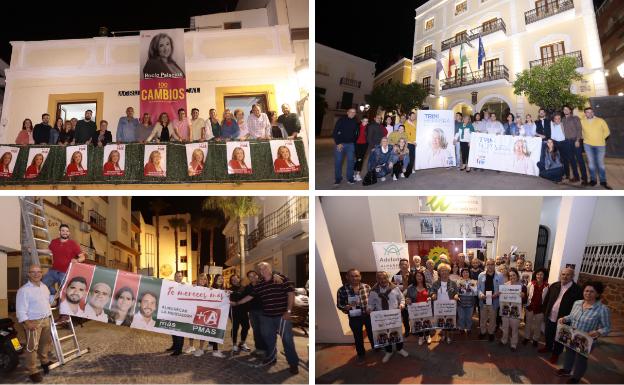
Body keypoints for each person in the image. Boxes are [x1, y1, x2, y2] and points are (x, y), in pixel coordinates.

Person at [230, 262, 299, 373]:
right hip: (267, 316)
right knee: (269, 339)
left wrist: (289, 311)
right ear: (260, 272)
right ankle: (271, 358)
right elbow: (249, 297)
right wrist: (237, 303)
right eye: (261, 269)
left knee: (287, 340)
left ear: (270, 268)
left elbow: (291, 294)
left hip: (282, 316)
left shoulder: (282, 278)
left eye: (265, 267)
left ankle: (293, 363)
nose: (263, 270)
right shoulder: (260, 284)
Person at [556, 281, 611, 384]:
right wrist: (564, 318)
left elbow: (607, 328)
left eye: (592, 292)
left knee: (581, 360)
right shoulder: (577, 303)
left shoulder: (603, 309)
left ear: (598, 294)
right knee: (569, 353)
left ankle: (576, 377)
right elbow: (571, 316)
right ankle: (567, 370)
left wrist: (598, 332)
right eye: (586, 291)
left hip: (586, 340)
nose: (588, 294)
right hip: (572, 335)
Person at [16, 265, 53, 383]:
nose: (36, 274)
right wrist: (27, 323)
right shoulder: (24, 290)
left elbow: (47, 301)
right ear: (29, 274)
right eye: (33, 272)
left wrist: (54, 298)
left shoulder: (44, 287)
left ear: (42, 274)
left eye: (39, 272)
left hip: (46, 319)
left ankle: (44, 361)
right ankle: (32, 370)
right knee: (32, 347)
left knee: (45, 344)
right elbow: (20, 310)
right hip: (33, 323)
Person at [540, 267, 583, 364]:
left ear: (573, 276)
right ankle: (548, 347)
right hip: (550, 316)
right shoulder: (554, 285)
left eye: (568, 275)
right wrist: (545, 312)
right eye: (563, 274)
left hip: (564, 319)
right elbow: (547, 300)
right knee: (548, 334)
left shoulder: (577, 290)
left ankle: (556, 354)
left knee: (560, 338)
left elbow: (578, 307)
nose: (565, 276)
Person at [367, 271, 408, 363]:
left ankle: (400, 349)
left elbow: (402, 299)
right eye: (380, 278)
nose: (382, 280)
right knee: (385, 334)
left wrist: (402, 305)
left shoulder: (395, 288)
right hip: (381, 317)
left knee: (397, 333)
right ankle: (388, 351)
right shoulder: (373, 291)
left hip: (394, 316)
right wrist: (369, 309)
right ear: (377, 279)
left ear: (388, 278)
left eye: (384, 278)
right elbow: (370, 304)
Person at [42, 224, 86, 304]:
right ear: (59, 232)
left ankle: (63, 313)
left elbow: (82, 257)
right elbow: (49, 251)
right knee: (42, 285)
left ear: (69, 233)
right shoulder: (54, 242)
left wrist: (77, 260)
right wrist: (36, 250)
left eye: (67, 231)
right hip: (53, 271)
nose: (65, 232)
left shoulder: (73, 244)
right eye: (63, 231)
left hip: (65, 273)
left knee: (65, 293)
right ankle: (54, 293)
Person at [336, 269, 373, 360]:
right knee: (358, 336)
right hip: (354, 317)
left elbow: (373, 300)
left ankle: (377, 348)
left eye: (356, 276)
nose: (354, 278)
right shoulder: (342, 290)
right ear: (347, 277)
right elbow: (339, 304)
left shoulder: (366, 287)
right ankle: (361, 354)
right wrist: (346, 307)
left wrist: (371, 308)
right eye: (352, 276)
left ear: (360, 277)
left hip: (368, 315)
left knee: (372, 333)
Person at [581, 107, 611, 189]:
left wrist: (601, 138)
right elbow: (581, 132)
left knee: (600, 164)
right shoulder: (582, 121)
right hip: (588, 145)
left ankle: (603, 181)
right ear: (585, 113)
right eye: (587, 112)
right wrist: (584, 138)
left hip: (600, 145)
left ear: (593, 113)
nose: (589, 113)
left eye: (591, 112)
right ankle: (593, 180)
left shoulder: (600, 120)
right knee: (591, 164)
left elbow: (607, 131)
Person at [429, 263, 459, 344]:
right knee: (442, 321)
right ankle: (443, 334)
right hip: (440, 306)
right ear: (439, 272)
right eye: (442, 271)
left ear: (449, 272)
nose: (444, 272)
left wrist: (456, 295)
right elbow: (431, 291)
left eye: (446, 271)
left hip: (450, 306)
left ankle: (448, 335)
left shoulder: (453, 283)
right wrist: (433, 295)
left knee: (449, 321)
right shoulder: (435, 283)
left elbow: (457, 292)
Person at [499, 268, 527, 352]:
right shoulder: (505, 285)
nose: (512, 277)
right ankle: (504, 340)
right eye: (510, 275)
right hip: (505, 309)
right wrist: (501, 294)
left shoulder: (522, 286)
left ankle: (513, 344)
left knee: (514, 328)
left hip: (515, 310)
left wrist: (523, 295)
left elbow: (525, 300)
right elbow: (502, 298)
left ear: (517, 276)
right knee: (505, 327)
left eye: (513, 275)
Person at [477, 258, 505, 341]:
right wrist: (481, 295)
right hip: (483, 301)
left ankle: (491, 333)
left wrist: (496, 294)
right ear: (486, 265)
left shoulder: (500, 275)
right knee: (483, 318)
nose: (490, 266)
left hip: (494, 301)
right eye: (488, 264)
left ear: (494, 265)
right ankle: (483, 332)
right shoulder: (481, 275)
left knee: (493, 319)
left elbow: (502, 288)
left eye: (492, 264)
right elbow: (478, 288)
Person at [523, 268, 549, 347]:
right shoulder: (531, 284)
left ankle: (535, 339)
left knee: (538, 325)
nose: (539, 276)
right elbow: (527, 294)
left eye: (541, 274)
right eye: (538, 274)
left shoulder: (547, 286)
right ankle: (526, 337)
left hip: (540, 309)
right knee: (528, 324)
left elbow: (547, 298)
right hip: (530, 307)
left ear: (544, 276)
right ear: (535, 275)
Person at [561, 106, 586, 184]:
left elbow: (579, 129)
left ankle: (584, 178)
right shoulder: (563, 120)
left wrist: (578, 140)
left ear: (570, 110)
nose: (565, 110)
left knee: (579, 160)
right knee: (571, 160)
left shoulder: (575, 118)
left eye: (567, 109)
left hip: (575, 140)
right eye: (564, 109)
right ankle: (576, 177)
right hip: (567, 142)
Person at [405, 270, 431, 345]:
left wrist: (430, 298)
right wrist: (408, 300)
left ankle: (427, 335)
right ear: (415, 277)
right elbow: (408, 298)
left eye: (421, 276)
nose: (419, 277)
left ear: (423, 277)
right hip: (416, 310)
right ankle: (420, 337)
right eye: (417, 276)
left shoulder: (428, 286)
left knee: (427, 322)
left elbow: (432, 295)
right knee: (418, 323)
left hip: (426, 310)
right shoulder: (410, 287)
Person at [333, 108, 358, 185]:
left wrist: (354, 142)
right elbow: (335, 131)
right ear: (347, 112)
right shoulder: (341, 120)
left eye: (354, 112)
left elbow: (356, 133)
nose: (352, 113)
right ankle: (338, 178)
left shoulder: (355, 122)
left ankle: (350, 178)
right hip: (340, 144)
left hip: (351, 145)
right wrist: (338, 143)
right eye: (351, 112)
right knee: (338, 161)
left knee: (351, 162)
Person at [245, 270, 268, 356]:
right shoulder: (248, 287)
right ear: (248, 278)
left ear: (257, 276)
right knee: (256, 330)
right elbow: (241, 295)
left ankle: (267, 349)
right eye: (250, 276)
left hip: (263, 311)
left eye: (254, 275)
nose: (253, 277)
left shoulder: (264, 284)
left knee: (264, 331)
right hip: (252, 312)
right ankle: (258, 348)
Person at [229, 274, 251, 353]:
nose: (234, 281)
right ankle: (234, 344)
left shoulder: (244, 287)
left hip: (244, 311)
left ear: (239, 279)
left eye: (235, 279)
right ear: (231, 281)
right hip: (234, 312)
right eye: (232, 280)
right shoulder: (229, 289)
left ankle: (242, 343)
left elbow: (249, 296)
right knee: (235, 328)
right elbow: (226, 299)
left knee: (246, 327)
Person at [190, 273, 210, 356]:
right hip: (193, 311)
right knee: (191, 329)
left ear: (206, 281)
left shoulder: (210, 290)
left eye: (205, 279)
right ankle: (191, 346)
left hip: (203, 312)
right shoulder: (193, 287)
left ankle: (201, 348)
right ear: (198, 280)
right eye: (201, 279)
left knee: (202, 331)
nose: (203, 281)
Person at [393, 259, 412, 337]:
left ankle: (414, 329)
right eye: (402, 264)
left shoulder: (413, 275)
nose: (404, 266)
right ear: (399, 266)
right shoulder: (395, 276)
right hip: (401, 300)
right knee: (405, 316)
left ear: (408, 265)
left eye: (405, 264)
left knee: (413, 314)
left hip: (411, 299)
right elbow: (392, 289)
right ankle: (407, 330)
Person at [167, 272, 185, 356]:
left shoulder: (186, 286)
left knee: (179, 331)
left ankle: (179, 349)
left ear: (182, 277)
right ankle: (174, 346)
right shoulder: (171, 285)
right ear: (174, 277)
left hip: (182, 313)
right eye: (176, 276)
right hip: (172, 312)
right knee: (173, 330)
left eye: (180, 276)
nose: (178, 277)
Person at [457, 268, 476, 335]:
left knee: (469, 317)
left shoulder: (473, 281)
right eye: (464, 272)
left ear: (469, 273)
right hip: (460, 301)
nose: (465, 273)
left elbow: (475, 292)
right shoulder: (458, 281)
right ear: (461, 274)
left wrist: (471, 287)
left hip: (470, 301)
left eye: (467, 272)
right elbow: (456, 292)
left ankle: (469, 328)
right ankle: (461, 328)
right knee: (461, 317)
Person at [354, 117, 368, 182]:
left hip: (364, 145)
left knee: (360, 159)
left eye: (367, 121)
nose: (365, 122)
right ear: (361, 120)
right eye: (364, 121)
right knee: (357, 159)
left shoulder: (368, 128)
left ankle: (358, 174)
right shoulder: (357, 126)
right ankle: (355, 172)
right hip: (357, 144)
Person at [403, 111, 417, 178]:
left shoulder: (415, 122)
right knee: (409, 157)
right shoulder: (406, 124)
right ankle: (406, 171)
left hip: (415, 142)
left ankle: (411, 168)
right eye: (413, 116)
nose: (414, 117)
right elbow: (407, 135)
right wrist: (412, 142)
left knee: (413, 157)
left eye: (415, 116)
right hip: (410, 143)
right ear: (409, 116)